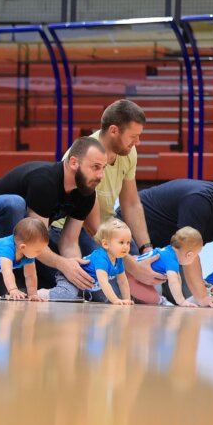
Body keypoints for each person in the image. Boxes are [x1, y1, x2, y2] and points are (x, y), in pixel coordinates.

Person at [53, 100, 162, 303]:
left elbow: (130, 203)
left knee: (152, 287)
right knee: (108, 294)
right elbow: (92, 227)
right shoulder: (85, 154)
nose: (137, 142)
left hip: (109, 229)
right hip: (78, 229)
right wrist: (130, 264)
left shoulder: (128, 153)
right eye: (133, 136)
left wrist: (146, 248)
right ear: (113, 130)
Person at [0, 136, 107, 294]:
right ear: (74, 162)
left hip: (22, 239)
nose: (101, 175)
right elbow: (33, 238)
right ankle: (8, 284)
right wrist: (62, 264)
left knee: (72, 280)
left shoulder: (87, 193)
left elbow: (69, 241)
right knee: (15, 204)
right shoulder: (45, 182)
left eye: (104, 168)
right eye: (96, 167)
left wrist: (75, 268)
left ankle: (23, 283)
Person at [117, 178, 213, 308]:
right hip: (130, 234)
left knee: (184, 299)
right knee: (149, 297)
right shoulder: (200, 202)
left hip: (171, 252)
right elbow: (188, 249)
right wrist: (203, 297)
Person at [45, 219, 134, 305]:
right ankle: (41, 294)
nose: (126, 246)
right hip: (71, 278)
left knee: (103, 298)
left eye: (128, 242)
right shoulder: (101, 258)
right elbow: (103, 282)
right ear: (105, 244)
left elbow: (122, 281)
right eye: (121, 242)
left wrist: (127, 300)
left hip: (86, 285)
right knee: (66, 295)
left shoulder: (118, 259)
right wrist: (115, 300)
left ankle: (79, 297)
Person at [135, 226, 203, 308]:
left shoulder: (168, 250)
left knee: (157, 287)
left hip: (133, 272)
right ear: (189, 255)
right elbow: (173, 282)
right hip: (133, 279)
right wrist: (181, 301)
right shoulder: (171, 260)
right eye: (195, 256)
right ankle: (160, 301)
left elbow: (178, 278)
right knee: (154, 298)